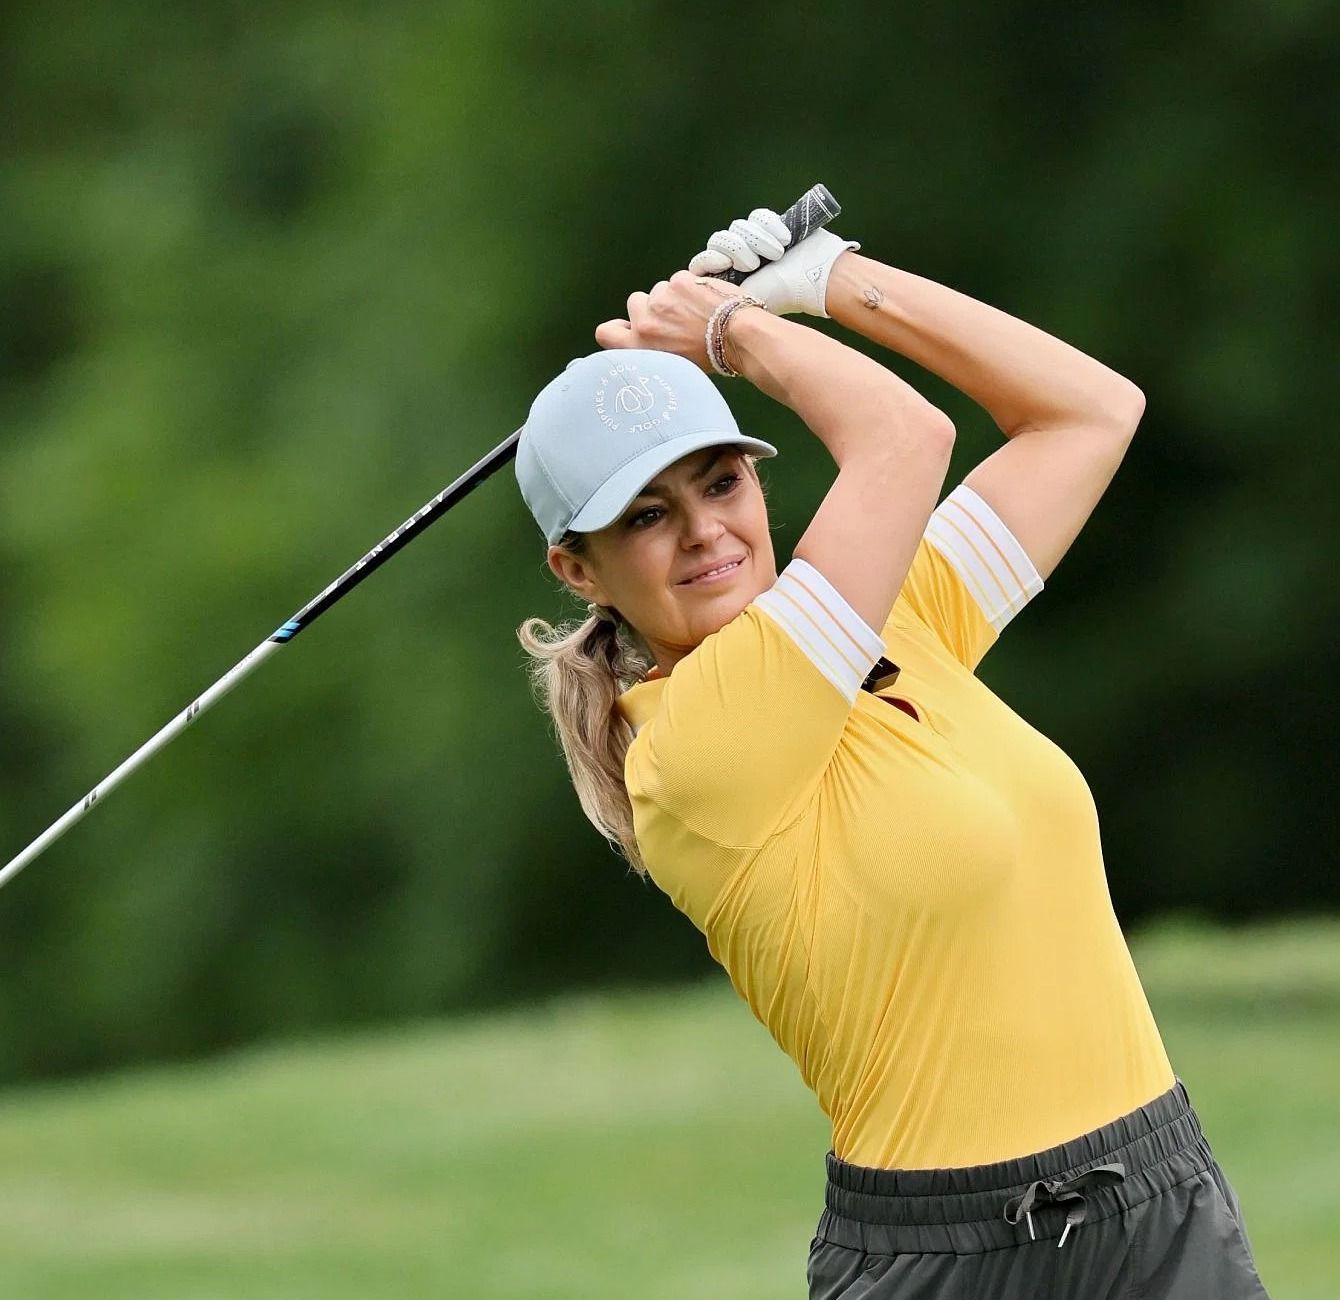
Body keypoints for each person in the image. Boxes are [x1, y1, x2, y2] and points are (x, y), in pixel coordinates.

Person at [513, 206, 1268, 1299]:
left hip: (1159, 1201)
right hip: (954, 1261)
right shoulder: (692, 744)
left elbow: (1090, 415)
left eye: (721, 481)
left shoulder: (888, 621)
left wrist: (830, 280)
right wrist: (737, 334)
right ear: (578, 571)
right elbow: (907, 438)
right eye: (645, 516)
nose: (707, 533)